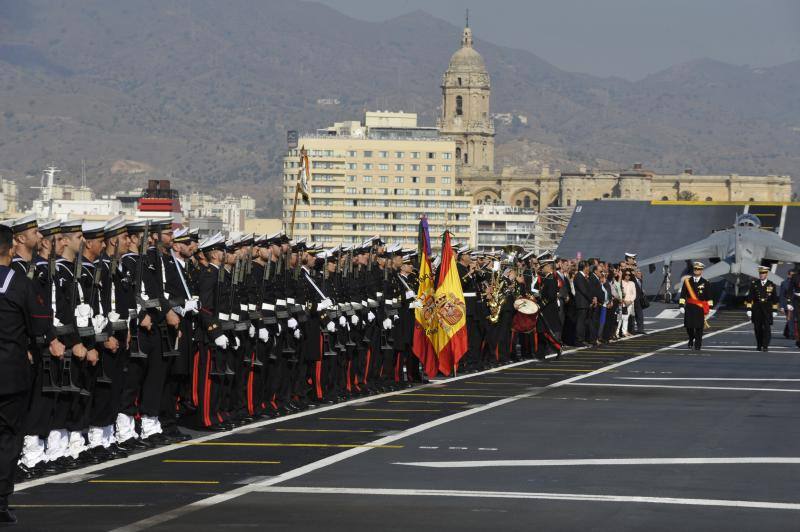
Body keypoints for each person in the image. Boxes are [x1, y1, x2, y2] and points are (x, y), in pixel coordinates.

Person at [0, 223, 56, 525]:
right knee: (8, 437)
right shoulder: (20, 283)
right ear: (10, 248)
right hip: (10, 373)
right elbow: (40, 327)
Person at [678, 262, 713, 351]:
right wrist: (681, 305)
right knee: (689, 326)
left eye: (698, 269)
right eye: (695, 269)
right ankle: (691, 338)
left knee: (699, 327)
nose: (696, 271)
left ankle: (698, 345)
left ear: (701, 270)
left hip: (700, 308)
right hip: (689, 307)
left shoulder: (705, 282)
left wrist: (710, 308)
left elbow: (709, 297)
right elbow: (683, 295)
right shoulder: (687, 281)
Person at [745, 266, 779, 351]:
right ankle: (759, 344)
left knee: (767, 328)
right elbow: (750, 297)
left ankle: (765, 345)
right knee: (757, 328)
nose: (761, 275)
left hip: (767, 309)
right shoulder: (754, 284)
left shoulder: (771, 284)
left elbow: (774, 298)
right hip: (757, 308)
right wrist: (749, 309)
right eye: (760, 273)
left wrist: (774, 310)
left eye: (763, 273)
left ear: (766, 274)